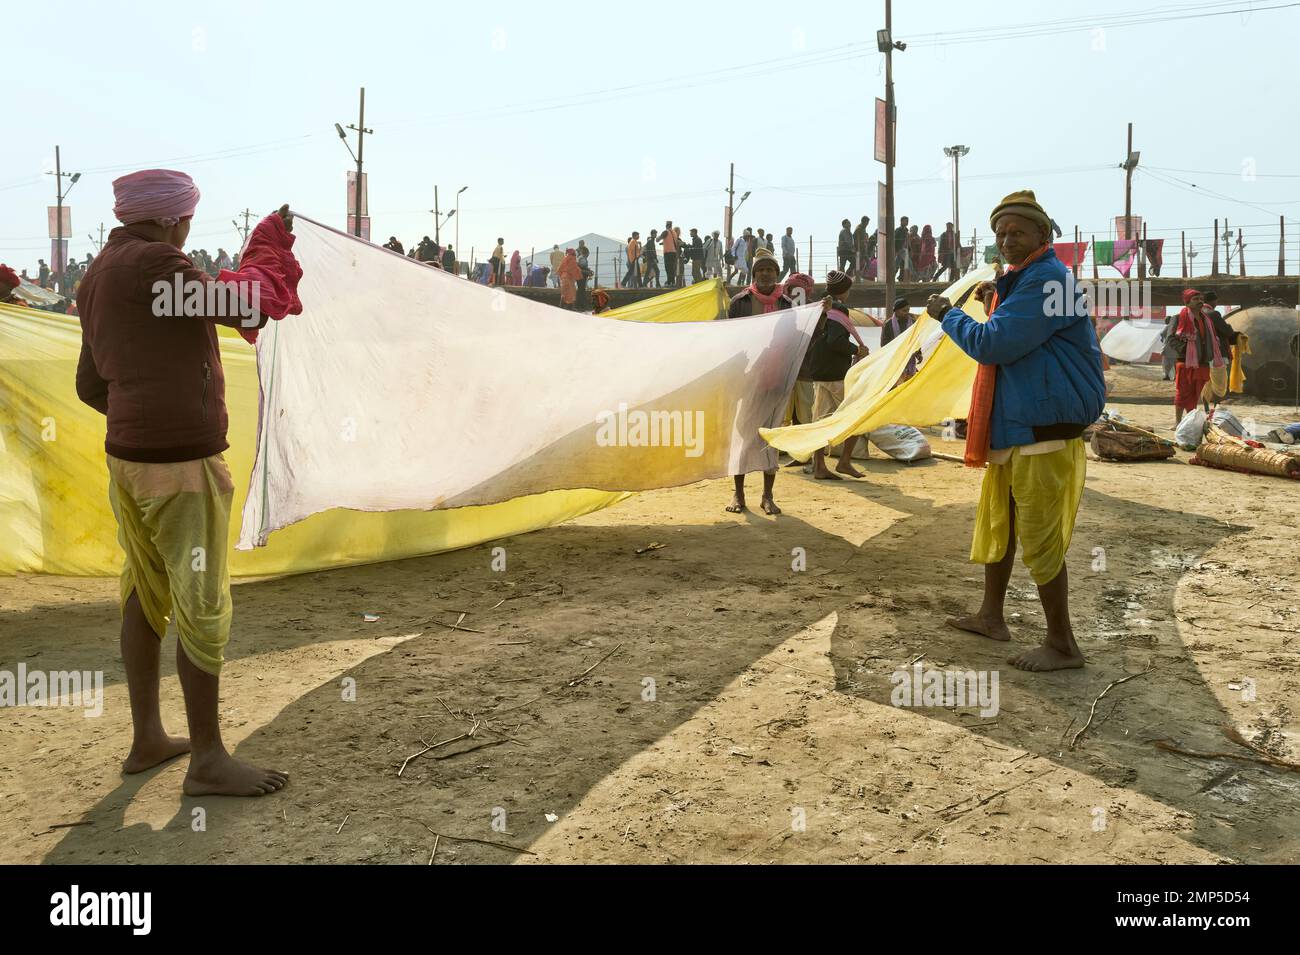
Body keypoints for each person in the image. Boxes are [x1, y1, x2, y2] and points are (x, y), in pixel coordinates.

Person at [75, 168, 293, 794]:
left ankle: (147, 737)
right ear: (175, 218)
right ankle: (207, 760)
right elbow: (244, 304)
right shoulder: (157, 268)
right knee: (201, 605)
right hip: (178, 465)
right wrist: (268, 250)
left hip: (129, 461)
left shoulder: (98, 275)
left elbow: (91, 384)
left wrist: (138, 414)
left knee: (146, 589)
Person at [926, 189, 1105, 673]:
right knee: (1000, 518)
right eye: (1000, 233)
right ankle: (991, 616)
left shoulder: (1050, 281)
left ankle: (1063, 644)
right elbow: (1016, 335)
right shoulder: (1028, 280)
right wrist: (995, 301)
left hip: (1043, 423)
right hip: (1020, 420)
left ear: (1042, 236)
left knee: (1039, 532)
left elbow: (995, 344)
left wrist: (949, 315)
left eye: (1016, 232)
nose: (1006, 241)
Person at [723, 248, 789, 515]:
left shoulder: (786, 304)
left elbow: (795, 341)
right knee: (742, 438)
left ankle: (767, 495)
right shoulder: (740, 302)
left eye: (770, 269)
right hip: (747, 381)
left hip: (775, 382)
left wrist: (819, 316)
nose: (765, 274)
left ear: (777, 273)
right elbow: (730, 342)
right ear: (754, 274)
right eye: (760, 269)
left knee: (769, 439)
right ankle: (738, 495)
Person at [808, 269, 869, 479]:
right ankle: (844, 461)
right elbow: (835, 340)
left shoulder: (820, 306)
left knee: (820, 422)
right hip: (835, 374)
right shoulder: (839, 308)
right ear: (845, 291)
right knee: (857, 415)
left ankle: (819, 466)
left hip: (818, 371)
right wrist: (857, 350)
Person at [1169, 288, 1225, 423]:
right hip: (1185, 362)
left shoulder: (1207, 320)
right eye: (1195, 299)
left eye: (1201, 299)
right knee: (1182, 393)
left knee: (1195, 394)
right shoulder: (1177, 318)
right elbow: (1170, 339)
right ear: (1187, 303)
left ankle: (1188, 421)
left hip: (1203, 363)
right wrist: (1185, 349)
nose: (1199, 301)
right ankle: (1178, 422)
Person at [660, 220, 679, 287]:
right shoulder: (674, 232)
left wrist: (658, 238)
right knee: (672, 268)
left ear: (666, 225)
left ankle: (669, 282)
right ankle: (672, 282)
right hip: (674, 252)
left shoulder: (666, 232)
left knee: (668, 268)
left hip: (668, 252)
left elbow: (658, 239)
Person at [893, 216, 910, 281]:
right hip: (899, 250)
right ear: (901, 221)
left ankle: (899, 278)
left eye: (907, 221)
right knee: (907, 263)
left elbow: (906, 240)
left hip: (903, 249)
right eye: (906, 221)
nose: (907, 222)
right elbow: (894, 240)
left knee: (899, 265)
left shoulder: (906, 230)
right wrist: (895, 250)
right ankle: (914, 276)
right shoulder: (898, 230)